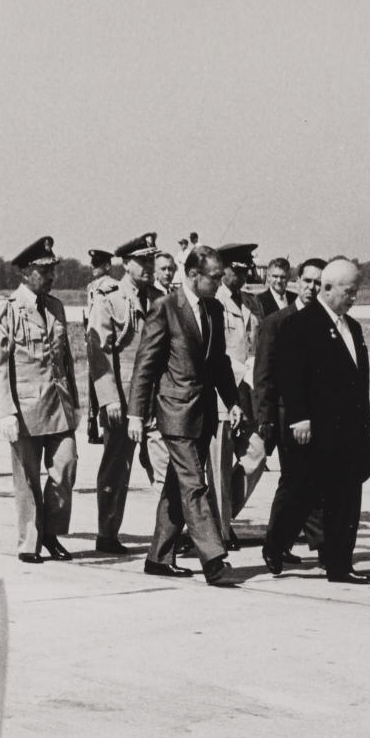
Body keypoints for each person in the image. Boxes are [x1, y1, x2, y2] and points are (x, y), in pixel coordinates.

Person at [127, 244, 244, 586]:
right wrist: (136, 413)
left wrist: (233, 400)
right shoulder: (165, 308)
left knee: (177, 486)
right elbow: (145, 365)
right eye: (214, 276)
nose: (219, 282)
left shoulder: (213, 308)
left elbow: (219, 361)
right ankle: (214, 560)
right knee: (195, 484)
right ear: (193, 275)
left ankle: (158, 557)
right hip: (176, 411)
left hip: (204, 410)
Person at [262, 259, 370, 584]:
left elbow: (359, 381)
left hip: (348, 432)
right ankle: (276, 543)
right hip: (311, 431)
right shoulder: (299, 325)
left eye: (356, 291)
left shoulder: (353, 328)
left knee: (346, 498)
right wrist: (299, 417)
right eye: (349, 291)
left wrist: (364, 424)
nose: (354, 297)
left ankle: (340, 565)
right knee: (302, 493)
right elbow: (290, 375)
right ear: (327, 289)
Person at [0, 235, 81, 563]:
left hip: (58, 407)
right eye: (45, 270)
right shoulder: (7, 309)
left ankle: (52, 533)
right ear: (27, 273)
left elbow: (65, 361)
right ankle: (30, 542)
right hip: (25, 409)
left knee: (65, 467)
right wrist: (4, 413)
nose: (52, 276)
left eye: (53, 269)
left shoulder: (56, 307)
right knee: (27, 480)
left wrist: (76, 404)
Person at [86, 231, 157, 555]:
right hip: (123, 399)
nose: (149, 266)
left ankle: (173, 532)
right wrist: (109, 398)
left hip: (156, 398)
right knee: (117, 466)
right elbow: (97, 351)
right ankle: (108, 532)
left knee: (166, 464)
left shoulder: (159, 299)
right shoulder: (110, 297)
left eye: (151, 260)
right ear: (127, 264)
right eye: (142, 261)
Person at [252, 255, 325, 565]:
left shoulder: (326, 322)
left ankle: (320, 545)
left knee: (319, 480)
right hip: (287, 417)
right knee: (295, 481)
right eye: (307, 281)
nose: (311, 287)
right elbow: (263, 375)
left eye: (319, 283)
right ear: (297, 281)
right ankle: (278, 544)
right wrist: (265, 418)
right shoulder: (277, 322)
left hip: (321, 417)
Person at [214, 242, 268, 542]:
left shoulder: (253, 303)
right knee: (219, 465)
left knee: (256, 454)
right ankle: (218, 529)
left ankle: (220, 516)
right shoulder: (214, 302)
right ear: (223, 269)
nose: (244, 274)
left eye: (247, 269)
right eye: (238, 269)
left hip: (248, 395)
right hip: (222, 395)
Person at [85, 248, 114, 444]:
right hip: (92, 341)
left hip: (104, 344)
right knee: (92, 388)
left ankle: (105, 428)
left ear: (107, 266)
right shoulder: (92, 287)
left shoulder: (112, 286)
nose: (93, 267)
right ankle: (93, 426)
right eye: (92, 264)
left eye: (97, 264)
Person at [247, 255, 292, 319]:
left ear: (288, 277)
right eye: (275, 276)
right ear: (268, 277)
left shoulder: (296, 298)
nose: (279, 281)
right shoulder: (258, 301)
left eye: (283, 277)